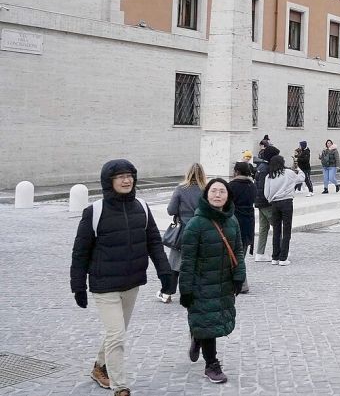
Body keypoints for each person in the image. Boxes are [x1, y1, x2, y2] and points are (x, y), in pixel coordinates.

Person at [70, 159, 172, 396]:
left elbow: (154, 244)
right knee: (116, 335)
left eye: (129, 176)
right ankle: (120, 387)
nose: (126, 180)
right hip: (104, 285)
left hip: (131, 283)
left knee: (115, 332)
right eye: (120, 177)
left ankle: (99, 367)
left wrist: (165, 273)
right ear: (109, 181)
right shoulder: (94, 212)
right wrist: (78, 286)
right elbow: (80, 252)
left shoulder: (142, 208)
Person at [180, 178, 246, 384]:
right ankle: (211, 364)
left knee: (213, 320)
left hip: (224, 282)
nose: (218, 195)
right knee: (208, 320)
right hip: (202, 283)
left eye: (222, 192)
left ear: (228, 196)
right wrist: (185, 290)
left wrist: (239, 276)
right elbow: (187, 260)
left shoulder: (232, 220)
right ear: (206, 195)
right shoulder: (196, 224)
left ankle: (197, 336)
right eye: (214, 191)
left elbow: (238, 251)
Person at [161, 163, 206, 304]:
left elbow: (171, 210)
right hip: (201, 228)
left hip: (183, 229)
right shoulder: (206, 190)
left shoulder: (181, 189)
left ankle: (167, 292)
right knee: (198, 261)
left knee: (175, 263)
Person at [263, 155, 307, 266]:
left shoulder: (269, 176)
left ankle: (275, 257)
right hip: (287, 202)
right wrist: (299, 169)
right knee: (286, 230)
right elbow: (302, 178)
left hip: (274, 203)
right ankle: (283, 257)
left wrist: (271, 199)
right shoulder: (288, 173)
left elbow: (266, 193)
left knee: (276, 231)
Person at [228, 162, 256, 293]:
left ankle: (242, 284)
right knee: (241, 254)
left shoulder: (232, 186)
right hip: (248, 223)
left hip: (234, 222)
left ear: (237, 172)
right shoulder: (252, 185)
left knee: (235, 255)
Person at [253, 140, 279, 263]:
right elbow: (265, 187)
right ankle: (281, 251)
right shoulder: (266, 169)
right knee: (277, 225)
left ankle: (260, 253)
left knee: (264, 228)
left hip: (259, 201)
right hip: (266, 202)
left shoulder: (261, 167)